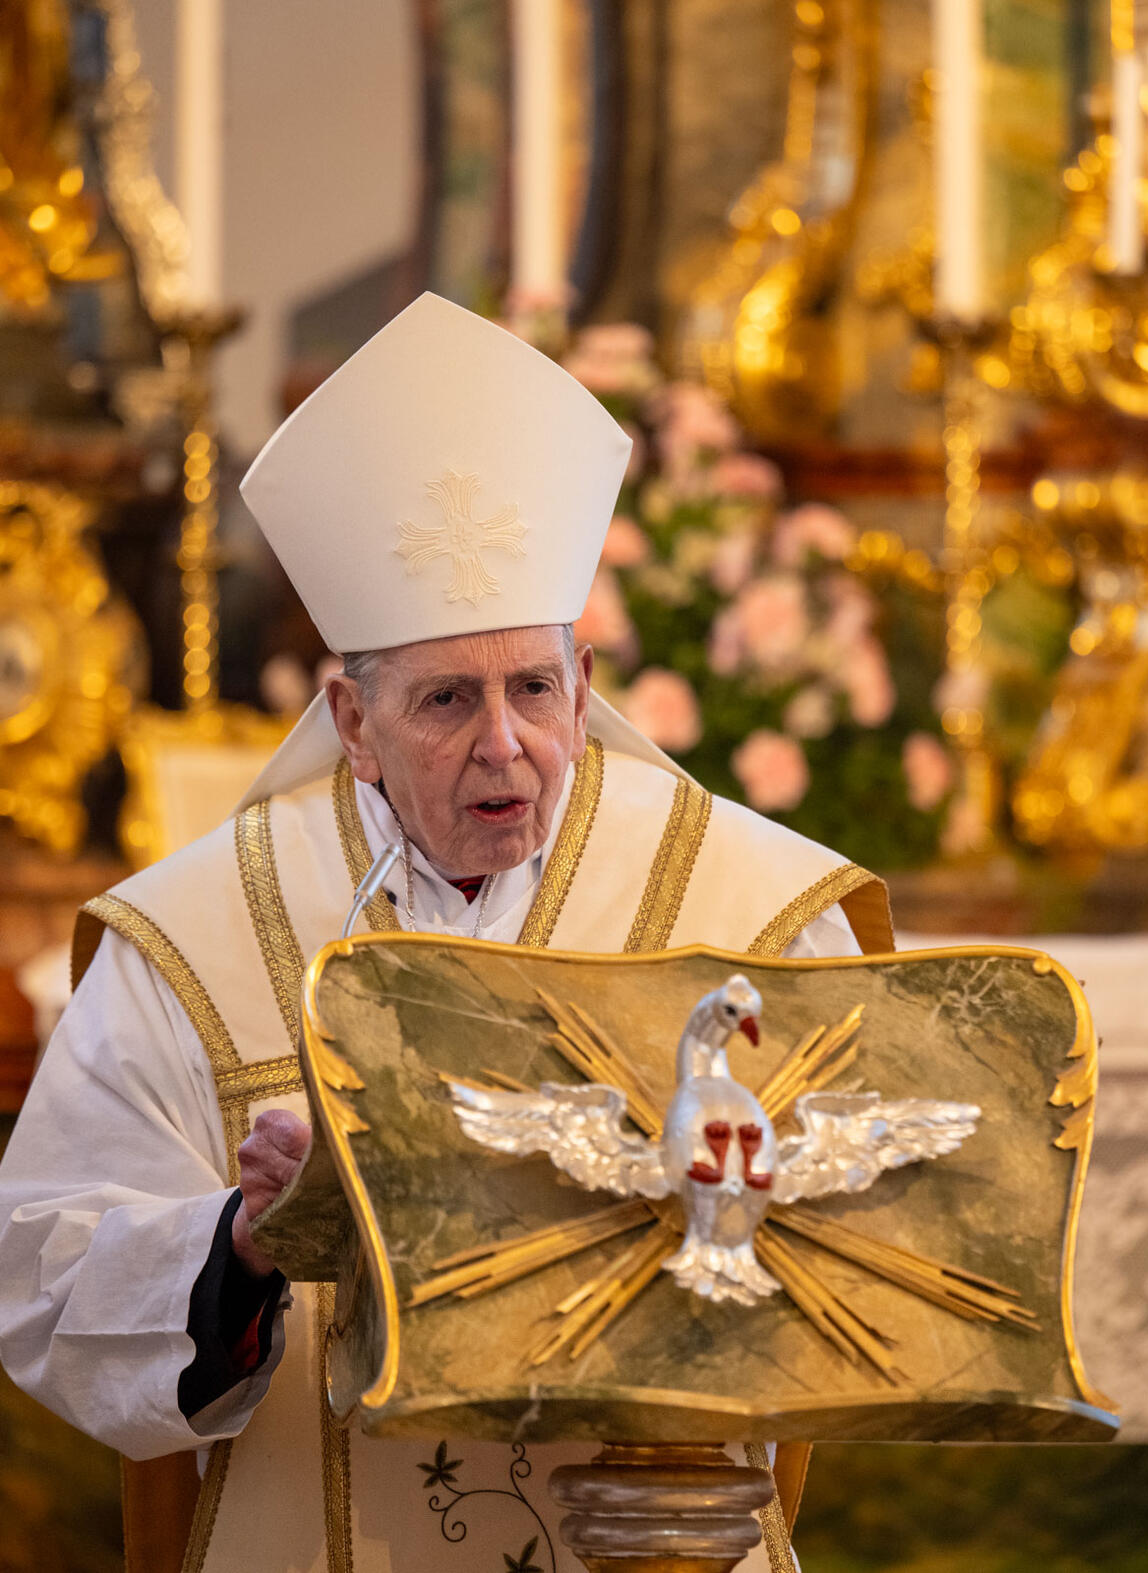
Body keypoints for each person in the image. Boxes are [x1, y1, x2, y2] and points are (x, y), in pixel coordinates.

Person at [0, 294, 892, 1573]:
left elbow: (867, 1250)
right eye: (444, 700)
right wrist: (245, 1245)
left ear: (584, 692)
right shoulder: (200, 941)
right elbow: (44, 1277)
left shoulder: (751, 910)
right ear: (351, 720)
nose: (503, 745)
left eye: (534, 688)